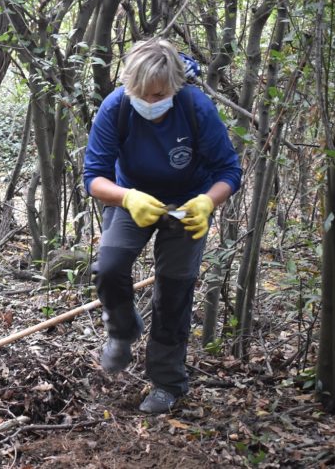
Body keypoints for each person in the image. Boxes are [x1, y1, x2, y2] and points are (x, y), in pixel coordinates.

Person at [83, 38, 242, 413]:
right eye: (142, 94)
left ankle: (167, 384)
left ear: (173, 87)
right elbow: (94, 177)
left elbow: (229, 170)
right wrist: (127, 198)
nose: (150, 103)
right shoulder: (116, 107)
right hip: (132, 200)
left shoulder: (195, 107)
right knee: (109, 267)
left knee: (174, 292)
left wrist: (206, 202)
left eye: (158, 95)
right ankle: (122, 331)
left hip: (188, 203)